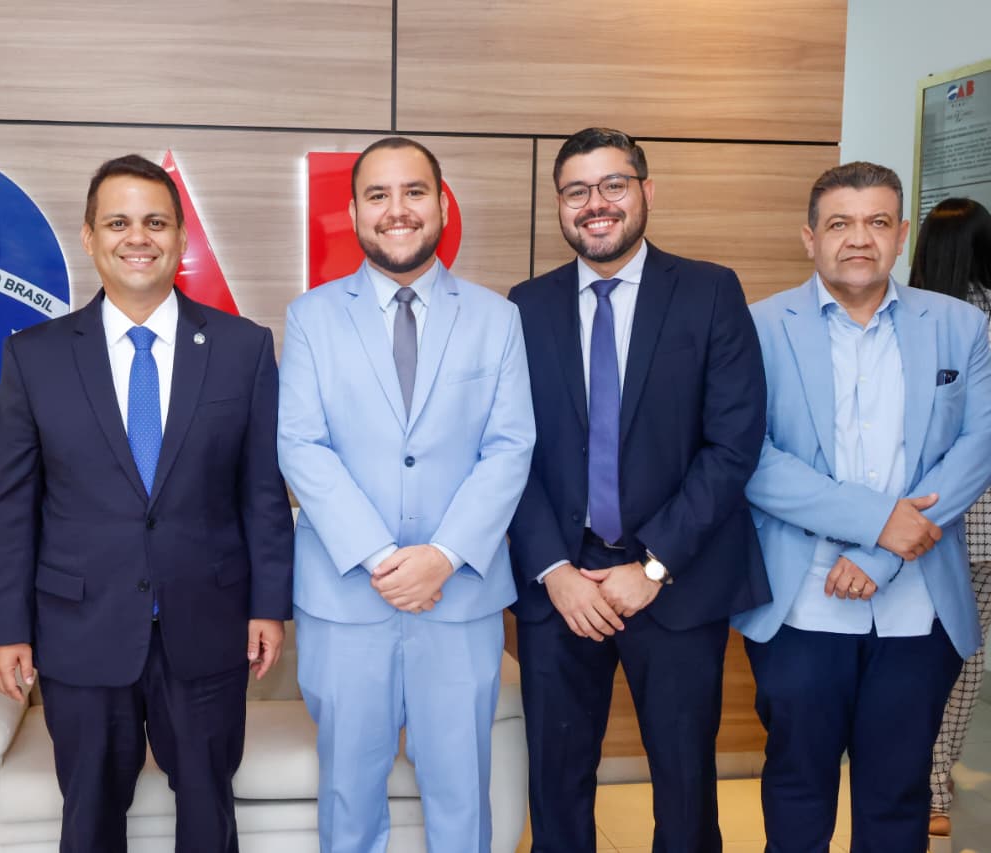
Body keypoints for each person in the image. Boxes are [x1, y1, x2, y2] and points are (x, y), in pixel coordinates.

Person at [0, 154, 294, 853]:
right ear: (89, 237)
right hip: (80, 629)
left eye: (155, 222)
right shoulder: (35, 355)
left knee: (209, 812)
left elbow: (263, 493)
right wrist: (7, 627)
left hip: (209, 623)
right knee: (90, 816)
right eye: (117, 222)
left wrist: (268, 604)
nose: (138, 237)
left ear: (181, 238)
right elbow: (11, 507)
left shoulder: (242, 348)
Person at [507, 127, 768, 852]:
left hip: (675, 579)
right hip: (560, 586)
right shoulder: (523, 307)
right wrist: (555, 570)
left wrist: (652, 566)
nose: (596, 203)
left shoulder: (710, 292)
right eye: (577, 190)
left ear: (646, 191)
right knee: (556, 782)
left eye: (613, 184)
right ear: (559, 205)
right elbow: (506, 452)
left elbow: (733, 444)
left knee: (684, 787)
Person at [277, 136, 534, 853]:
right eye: (378, 195)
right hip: (346, 596)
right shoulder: (311, 317)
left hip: (460, 598)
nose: (398, 210)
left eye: (414, 192)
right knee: (349, 796)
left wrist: (443, 555)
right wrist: (382, 557)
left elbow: (510, 447)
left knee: (461, 796)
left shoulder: (496, 317)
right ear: (355, 211)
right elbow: (301, 444)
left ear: (441, 204)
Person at [734, 163, 991, 852]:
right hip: (801, 601)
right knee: (798, 783)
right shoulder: (758, 326)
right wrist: (876, 523)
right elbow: (751, 457)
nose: (859, 238)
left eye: (877, 222)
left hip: (918, 602)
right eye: (840, 223)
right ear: (809, 237)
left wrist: (881, 553)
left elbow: (977, 447)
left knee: (898, 791)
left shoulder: (961, 326)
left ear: (901, 236)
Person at [907, 196, 991, 838]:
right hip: (983, 524)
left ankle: (901, 775)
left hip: (908, 521)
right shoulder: (982, 321)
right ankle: (934, 788)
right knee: (965, 656)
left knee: (907, 657)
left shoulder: (905, 317)